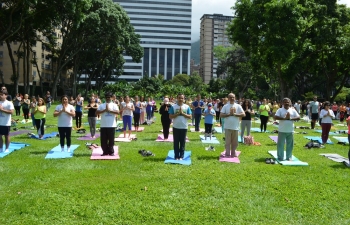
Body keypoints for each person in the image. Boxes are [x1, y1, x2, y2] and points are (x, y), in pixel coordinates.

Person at [220, 93, 245, 157]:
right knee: (227, 142)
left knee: (235, 142)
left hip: (235, 127)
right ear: (228, 98)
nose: (232, 98)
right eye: (230, 97)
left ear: (235, 98)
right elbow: (221, 115)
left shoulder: (238, 106)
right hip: (227, 127)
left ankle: (233, 153)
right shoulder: (225, 106)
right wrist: (229, 114)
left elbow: (243, 114)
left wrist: (235, 114)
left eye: (233, 97)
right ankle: (227, 154)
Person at [169, 93, 192, 160]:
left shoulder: (187, 107)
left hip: (184, 127)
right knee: (176, 142)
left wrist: (182, 113)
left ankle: (181, 156)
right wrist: (177, 114)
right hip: (176, 127)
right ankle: (176, 156)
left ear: (184, 99)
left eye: (182, 98)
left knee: (182, 142)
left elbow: (190, 116)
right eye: (179, 98)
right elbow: (170, 116)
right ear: (177, 98)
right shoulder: (173, 106)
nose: (180, 99)